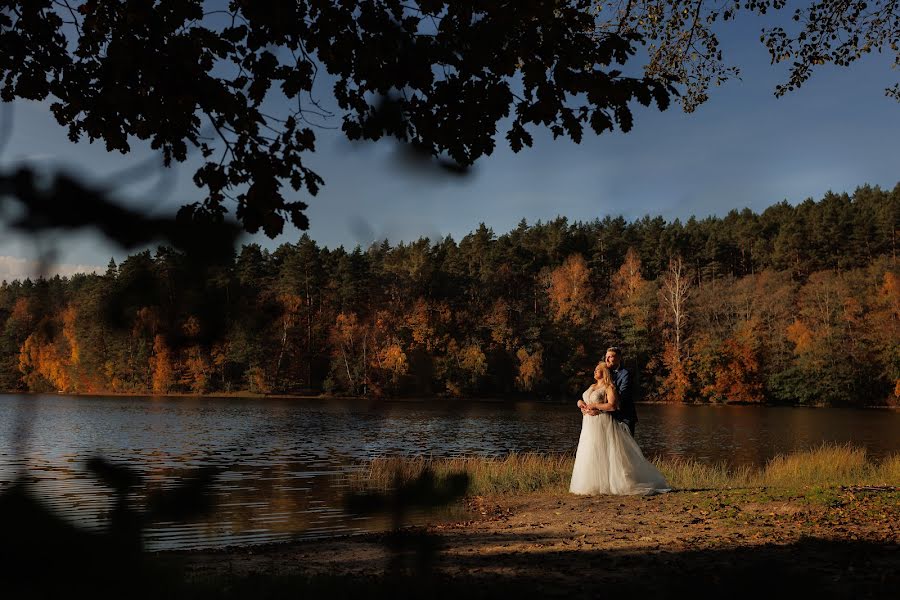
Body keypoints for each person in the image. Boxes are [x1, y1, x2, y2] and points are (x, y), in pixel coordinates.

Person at [570, 361, 670, 495]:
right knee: (590, 450)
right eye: (594, 370)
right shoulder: (592, 386)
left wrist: (596, 406)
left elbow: (612, 406)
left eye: (597, 370)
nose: (594, 372)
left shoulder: (609, 387)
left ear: (604, 372)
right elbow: (585, 401)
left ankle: (611, 484)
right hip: (588, 424)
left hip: (602, 422)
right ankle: (593, 484)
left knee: (604, 451)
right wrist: (581, 404)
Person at [604, 346, 636, 437]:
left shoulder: (625, 373)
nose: (607, 359)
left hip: (625, 416)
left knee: (628, 447)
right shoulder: (604, 373)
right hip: (608, 415)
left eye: (610, 356)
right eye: (606, 356)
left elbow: (623, 394)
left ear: (618, 358)